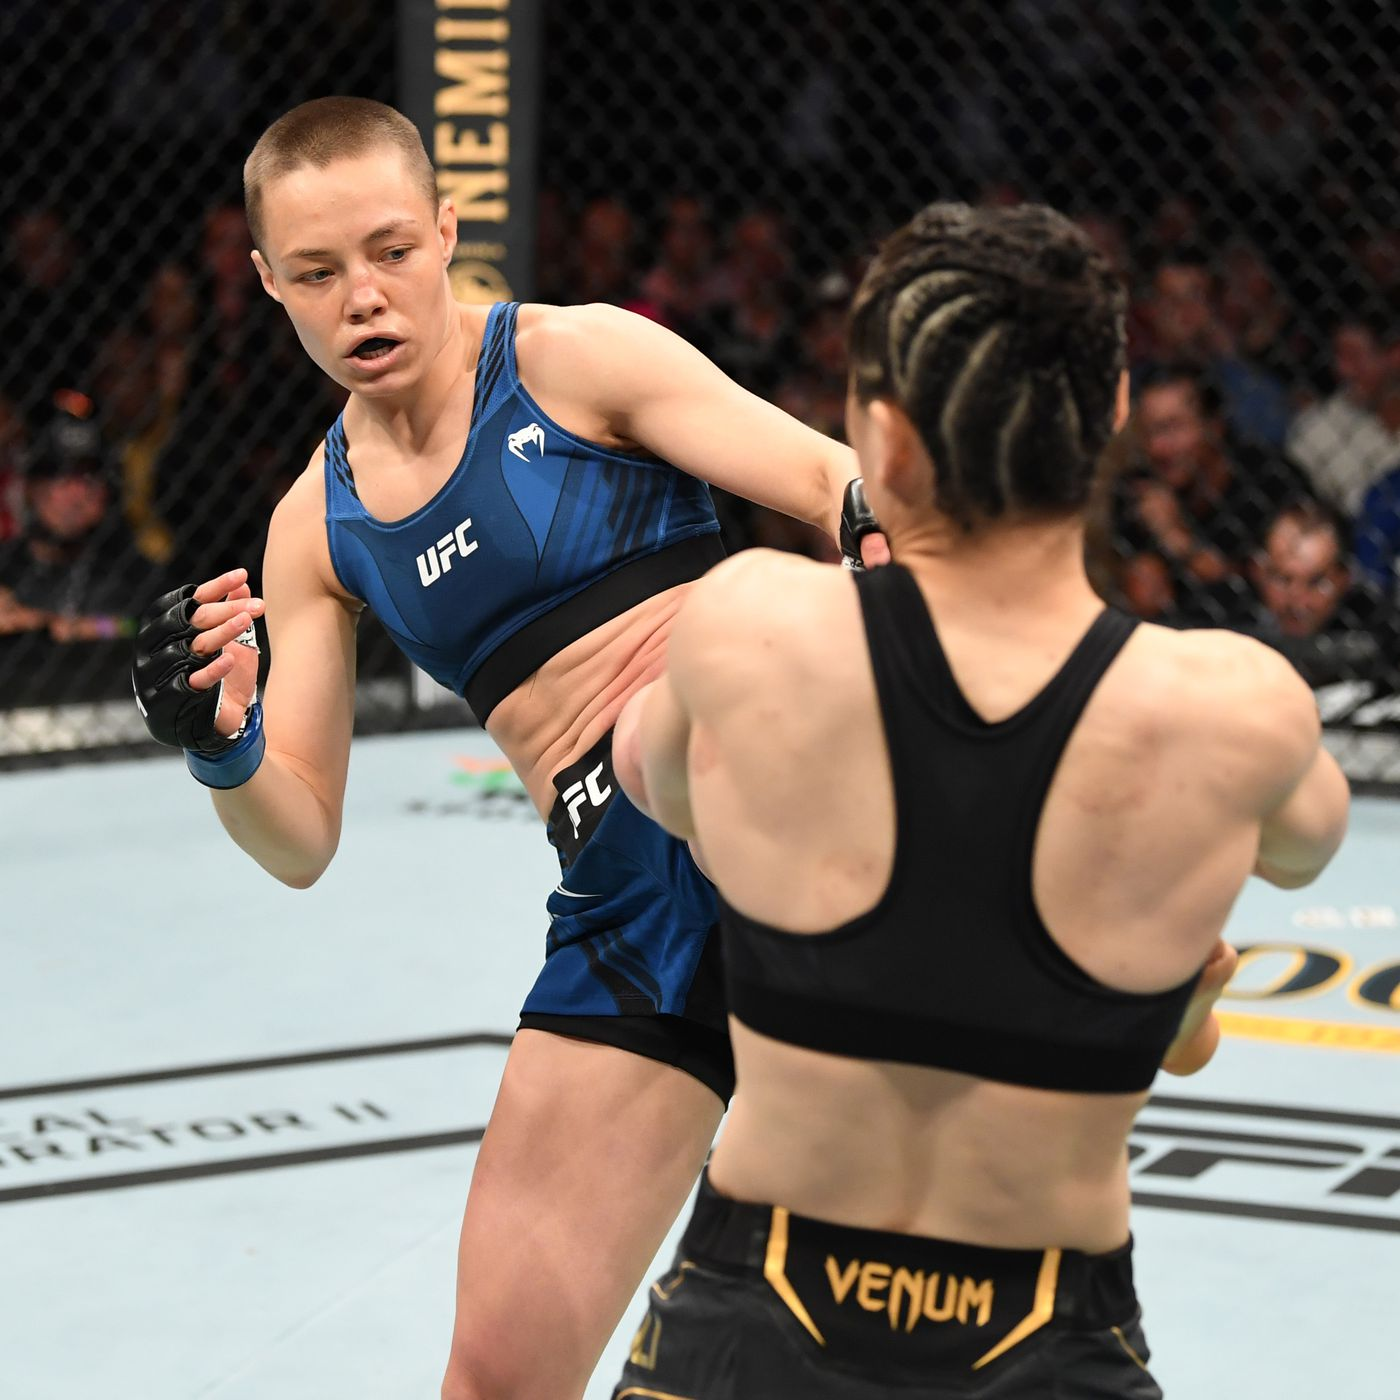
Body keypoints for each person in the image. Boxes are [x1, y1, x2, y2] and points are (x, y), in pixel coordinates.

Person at [129, 96, 885, 1400]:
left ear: (445, 230)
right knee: (494, 1379)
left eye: (389, 251)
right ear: (266, 281)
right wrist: (220, 745)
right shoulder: (315, 527)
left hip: (769, 773)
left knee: (694, 704)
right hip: (626, 898)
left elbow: (838, 486)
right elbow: (298, 838)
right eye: (318, 271)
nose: (364, 296)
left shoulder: (572, 358)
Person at [610, 202, 1350, 1398]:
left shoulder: (750, 624)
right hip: (1049, 1330)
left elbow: (656, 780)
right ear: (1111, 412)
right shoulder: (1232, 708)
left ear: (881, 436)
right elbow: (1306, 844)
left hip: (752, 1310)